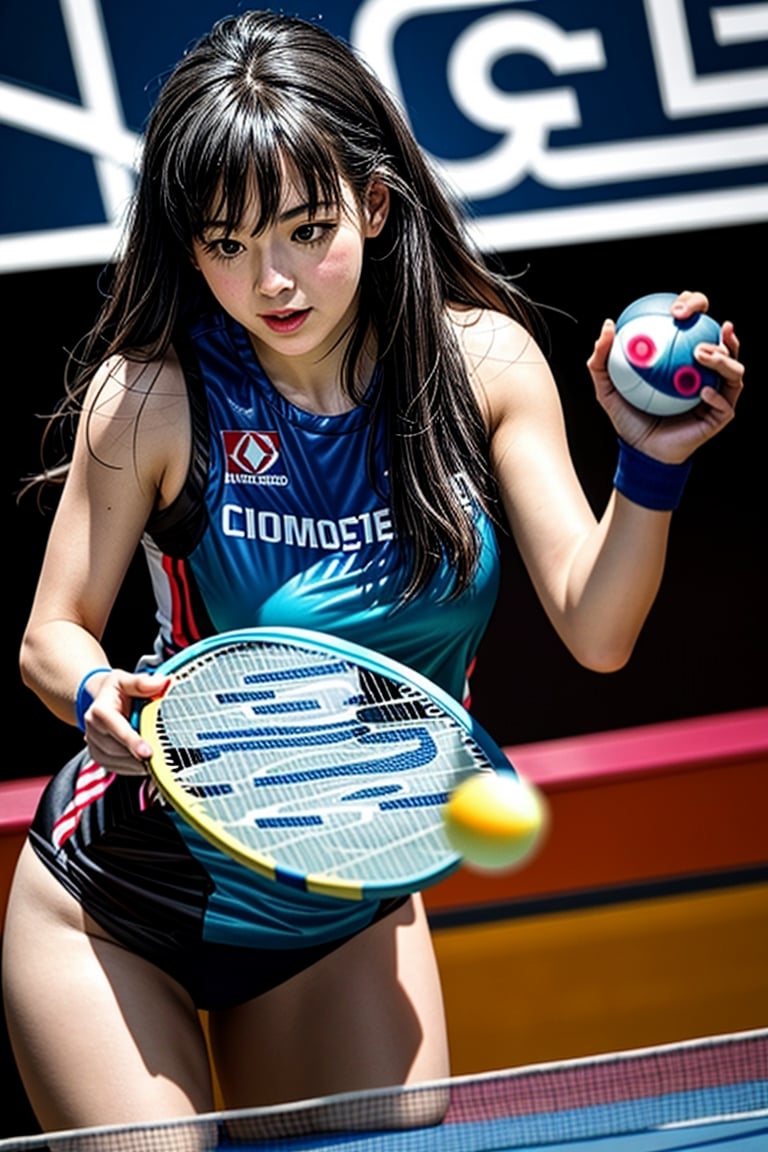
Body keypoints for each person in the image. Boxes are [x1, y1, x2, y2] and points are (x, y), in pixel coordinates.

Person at [2, 8, 744, 1137]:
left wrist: (648, 470)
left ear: (376, 203)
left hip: (342, 905)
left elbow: (598, 631)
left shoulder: (481, 365)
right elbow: (51, 632)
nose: (274, 280)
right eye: (227, 244)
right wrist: (96, 690)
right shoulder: (156, 395)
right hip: (124, 895)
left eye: (307, 228)